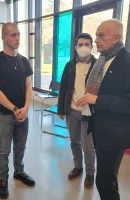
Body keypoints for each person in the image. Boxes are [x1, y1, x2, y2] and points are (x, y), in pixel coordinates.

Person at [76, 19, 130, 200]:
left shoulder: (127, 62)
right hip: (99, 129)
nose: (96, 39)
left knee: (105, 182)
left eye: (101, 35)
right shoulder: (102, 60)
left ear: (116, 38)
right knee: (105, 180)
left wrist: (97, 100)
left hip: (114, 135)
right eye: (97, 34)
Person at [0, 22, 35, 199]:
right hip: (6, 115)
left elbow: (29, 86)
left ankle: (19, 171)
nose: (17, 38)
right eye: (13, 35)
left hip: (23, 114)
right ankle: (3, 180)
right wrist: (15, 109)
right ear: (4, 37)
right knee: (4, 150)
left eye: (18, 34)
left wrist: (25, 108)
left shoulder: (23, 60)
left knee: (21, 146)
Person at [58, 33, 96, 188]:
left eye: (87, 44)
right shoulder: (70, 65)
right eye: (80, 44)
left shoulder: (98, 65)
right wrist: (61, 109)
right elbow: (63, 88)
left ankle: (90, 173)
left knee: (88, 146)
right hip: (72, 111)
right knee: (74, 142)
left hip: (89, 113)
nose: (83, 47)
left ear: (91, 47)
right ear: (75, 47)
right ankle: (78, 167)